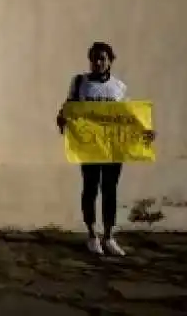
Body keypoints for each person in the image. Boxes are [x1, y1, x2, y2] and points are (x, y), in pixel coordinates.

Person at [56, 42, 154, 256]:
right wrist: (63, 118)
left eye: (102, 58)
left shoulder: (119, 87)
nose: (98, 63)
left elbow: (127, 116)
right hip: (89, 147)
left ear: (110, 61)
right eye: (94, 59)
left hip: (112, 148)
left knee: (110, 190)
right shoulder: (80, 83)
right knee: (90, 189)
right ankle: (92, 235)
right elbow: (69, 108)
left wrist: (145, 131)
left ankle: (109, 236)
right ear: (90, 60)